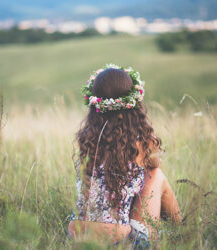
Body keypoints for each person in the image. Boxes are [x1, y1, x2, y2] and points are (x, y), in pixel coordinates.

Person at [68, 64, 182, 249]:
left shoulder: (87, 140)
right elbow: (155, 164)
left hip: (78, 236)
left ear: (95, 103)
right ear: (133, 104)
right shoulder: (141, 143)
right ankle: (183, 231)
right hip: (119, 242)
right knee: (155, 175)